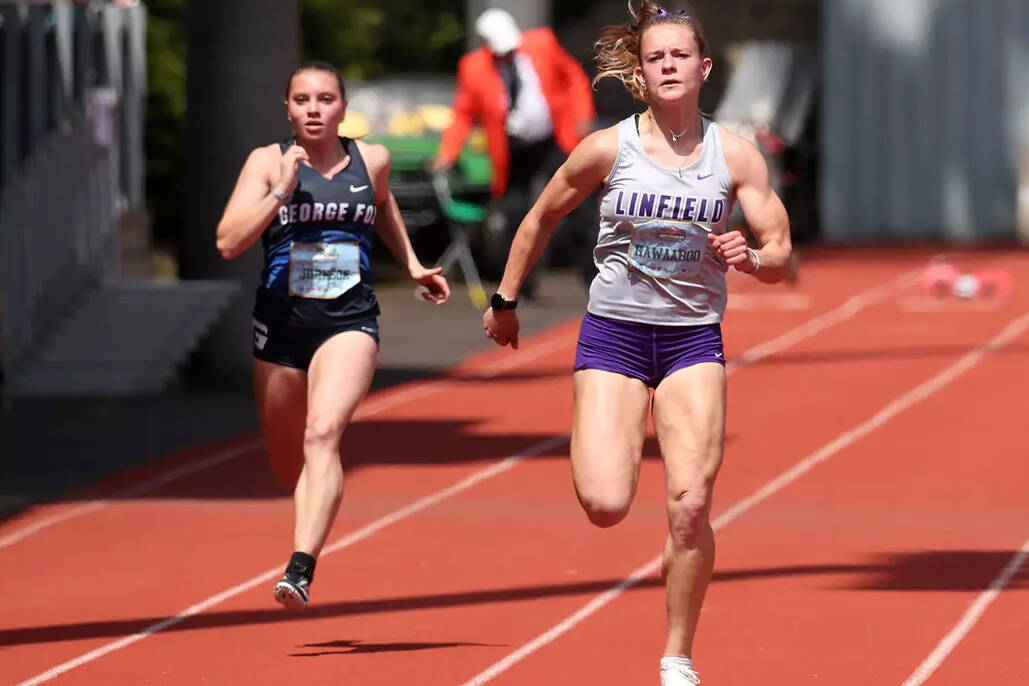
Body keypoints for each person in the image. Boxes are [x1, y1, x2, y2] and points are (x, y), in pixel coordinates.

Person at [482, 3, 791, 684]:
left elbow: (779, 251)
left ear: (702, 68)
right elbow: (539, 216)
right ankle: (608, 443)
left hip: (690, 343)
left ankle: (677, 656)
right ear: (642, 75)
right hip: (614, 337)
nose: (670, 66)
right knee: (604, 504)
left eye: (680, 55)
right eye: (657, 58)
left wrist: (750, 257)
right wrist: (504, 299)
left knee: (688, 505)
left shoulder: (733, 156)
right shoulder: (606, 149)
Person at [215, 61, 450, 611]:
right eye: (303, 100)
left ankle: (300, 568)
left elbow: (383, 202)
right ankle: (310, 510)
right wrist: (279, 193)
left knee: (322, 434)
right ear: (289, 109)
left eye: (325, 99)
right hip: (279, 329)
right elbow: (228, 241)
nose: (314, 109)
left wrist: (412, 263)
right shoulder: (267, 162)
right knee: (286, 465)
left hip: (349, 322)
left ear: (343, 109)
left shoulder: (372, 159)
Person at [433, 8, 596, 297]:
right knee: (515, 214)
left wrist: (582, 115)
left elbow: (574, 79)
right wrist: (447, 153)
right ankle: (520, 284)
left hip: (553, 140)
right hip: (513, 150)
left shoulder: (543, 44)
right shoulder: (474, 67)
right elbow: (463, 114)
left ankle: (596, 278)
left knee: (578, 205)